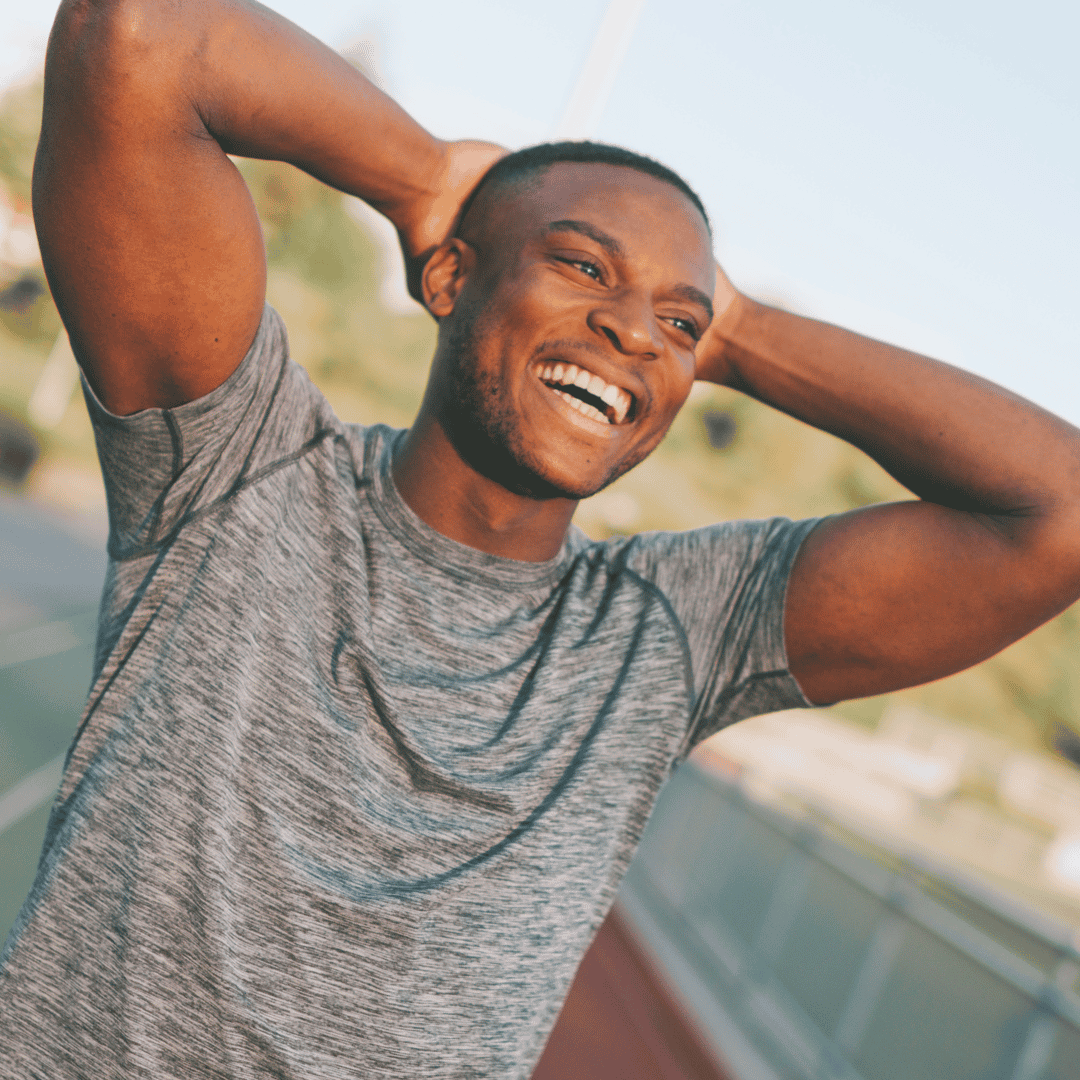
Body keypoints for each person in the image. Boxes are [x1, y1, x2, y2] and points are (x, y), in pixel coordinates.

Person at [3, 0, 1079, 1077]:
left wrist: (742, 331)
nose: (633, 328)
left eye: (679, 323)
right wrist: (424, 177)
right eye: (583, 266)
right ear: (451, 276)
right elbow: (135, 33)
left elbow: (1059, 511)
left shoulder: (674, 633)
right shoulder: (240, 467)